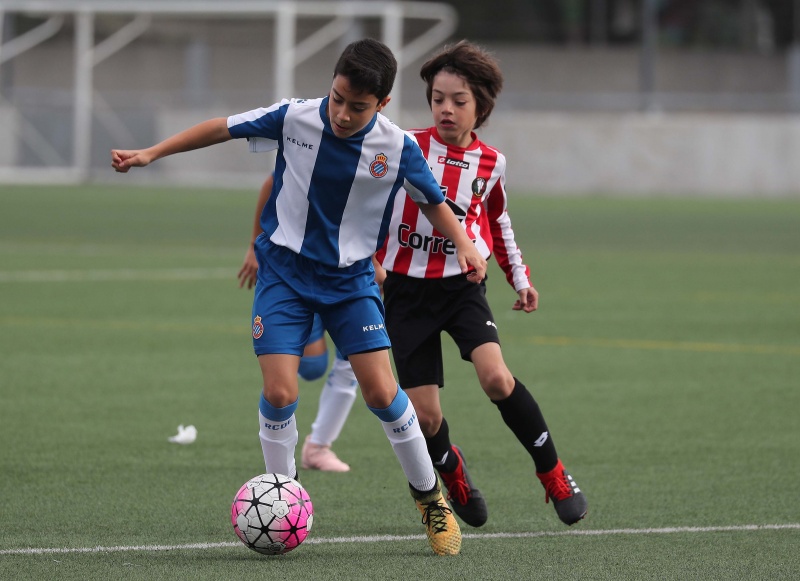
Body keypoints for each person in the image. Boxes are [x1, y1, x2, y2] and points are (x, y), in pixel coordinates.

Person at [111, 37, 487, 556]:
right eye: (337, 98)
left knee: (381, 392)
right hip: (284, 276)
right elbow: (221, 127)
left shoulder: (398, 147)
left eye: (357, 107)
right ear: (330, 86)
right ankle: (284, 497)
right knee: (282, 392)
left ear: (381, 105)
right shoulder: (295, 116)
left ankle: (430, 499)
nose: (342, 113)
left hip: (350, 282)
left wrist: (466, 244)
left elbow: (433, 203)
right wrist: (151, 152)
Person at [374, 40, 588, 529]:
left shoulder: (492, 163)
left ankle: (552, 472)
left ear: (482, 107)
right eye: (437, 98)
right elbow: (366, 199)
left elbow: (498, 220)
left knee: (497, 378)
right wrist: (368, 255)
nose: (446, 108)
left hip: (462, 289)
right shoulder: (403, 145)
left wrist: (520, 278)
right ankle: (451, 467)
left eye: (459, 100)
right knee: (425, 419)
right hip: (405, 293)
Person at [239, 174, 356, 472]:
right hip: (302, 268)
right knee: (313, 367)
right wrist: (254, 243)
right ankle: (282, 477)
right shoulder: (317, 138)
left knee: (355, 360)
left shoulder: (393, 148)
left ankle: (318, 447)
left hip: (358, 273)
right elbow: (271, 182)